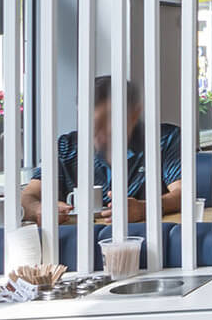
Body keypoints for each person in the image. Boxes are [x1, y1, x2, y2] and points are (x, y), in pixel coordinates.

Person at [20, 75, 184, 224]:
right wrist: (38, 210)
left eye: (105, 124)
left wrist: (144, 208)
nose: (96, 135)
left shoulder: (164, 140)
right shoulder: (65, 147)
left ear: (134, 114)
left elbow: (182, 194)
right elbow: (27, 197)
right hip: (80, 242)